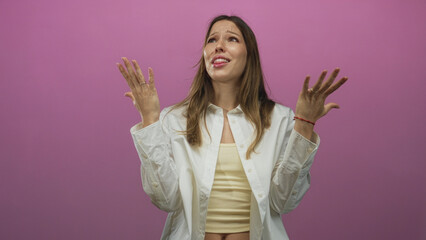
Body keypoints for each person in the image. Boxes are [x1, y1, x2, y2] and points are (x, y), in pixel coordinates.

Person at [117, 15, 347, 240]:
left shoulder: (280, 119)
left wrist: (304, 126)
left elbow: (283, 202)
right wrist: (149, 119)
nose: (219, 46)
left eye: (232, 39)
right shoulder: (174, 119)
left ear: (250, 55)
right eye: (212, 40)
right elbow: (166, 200)